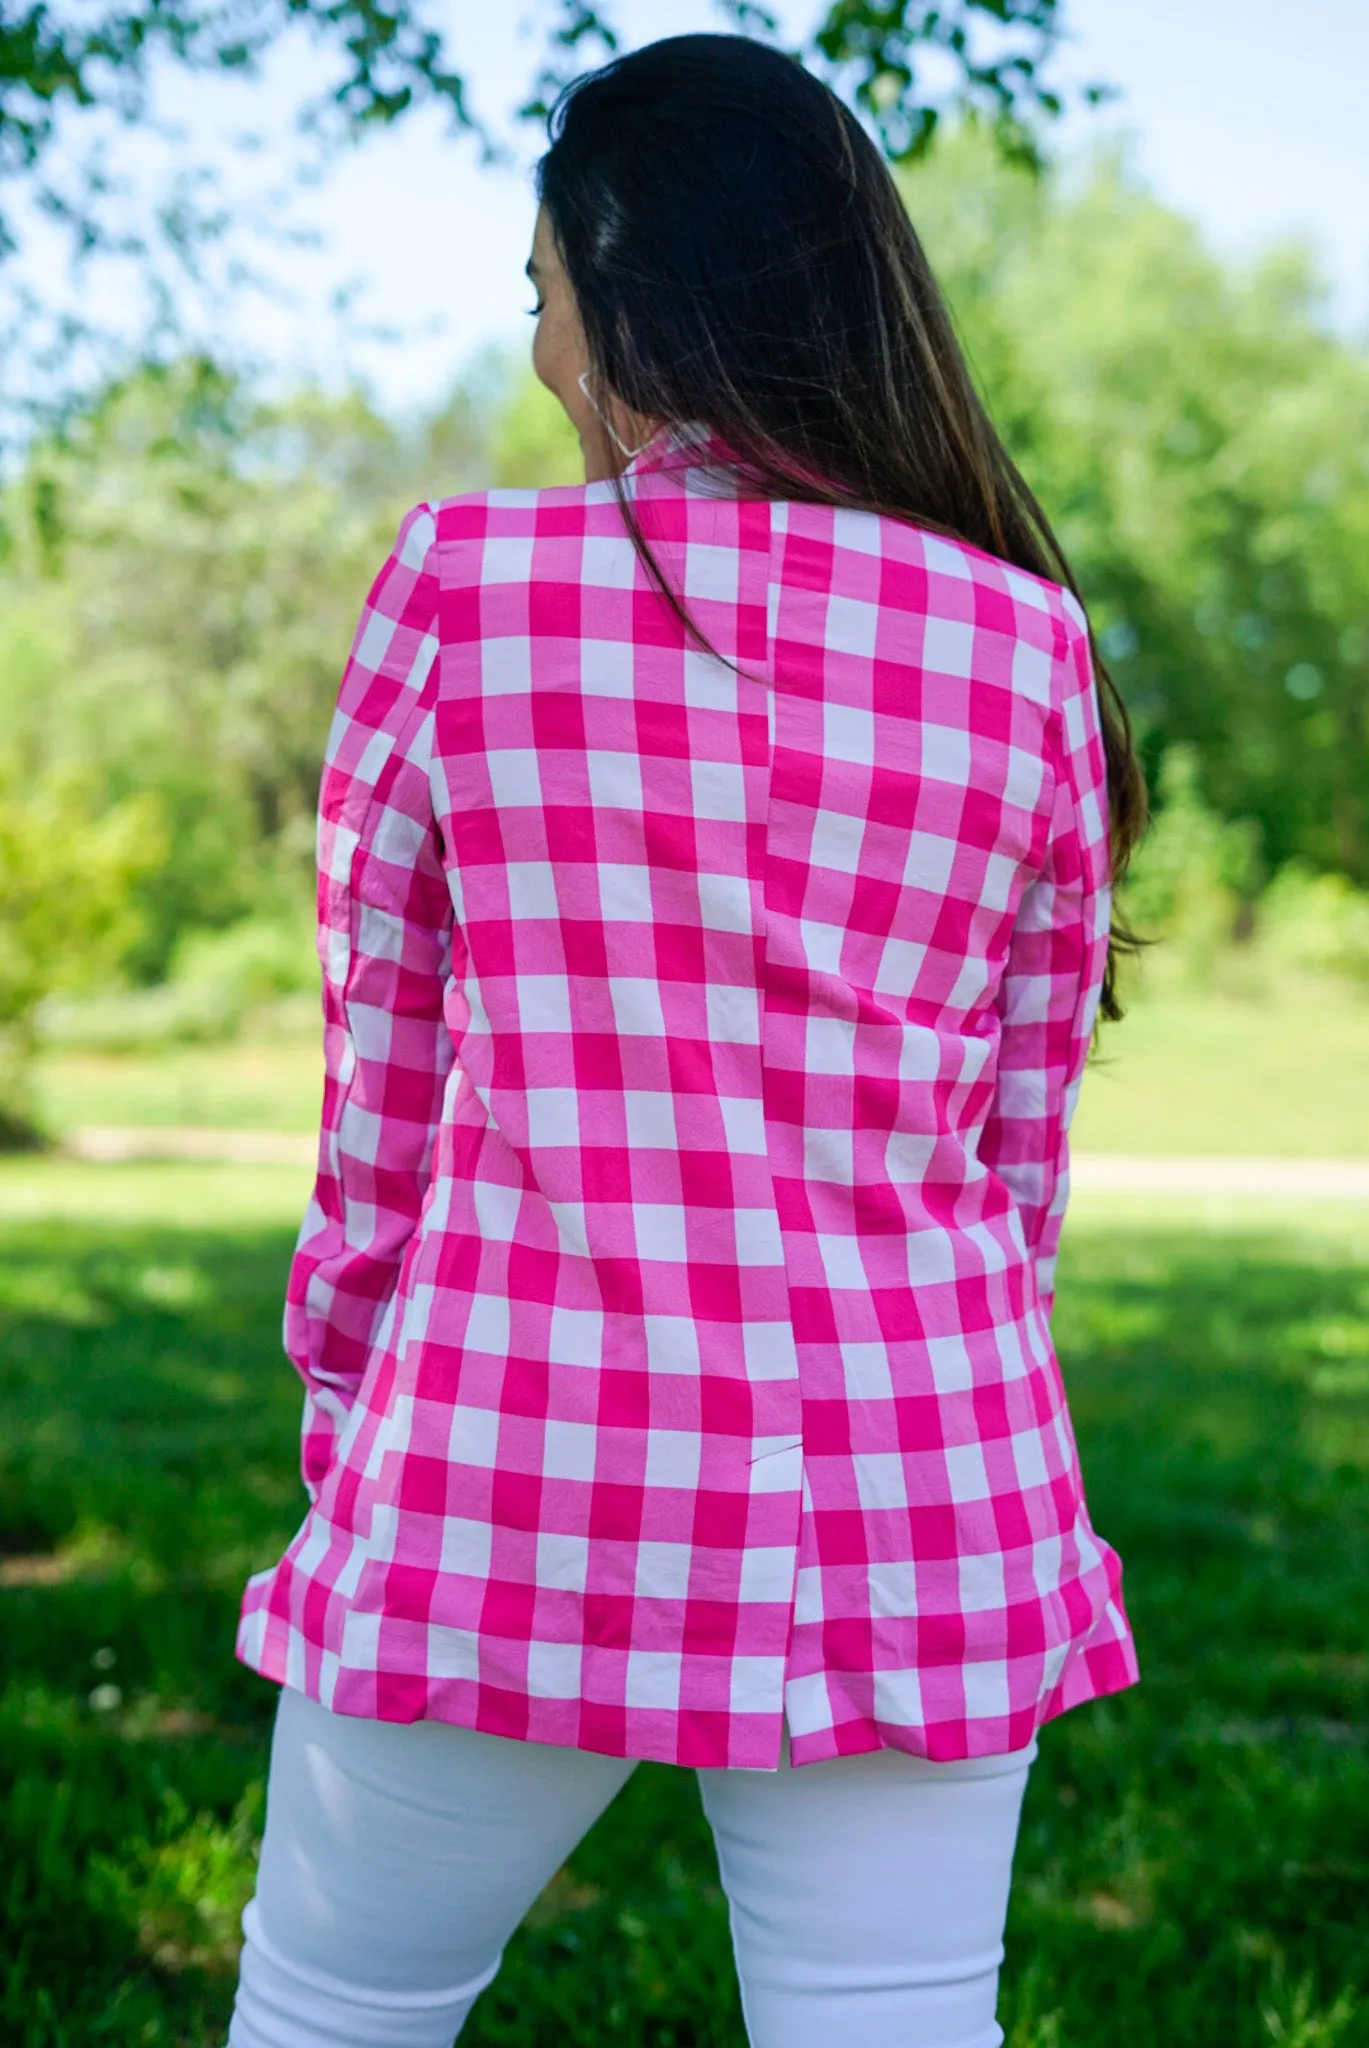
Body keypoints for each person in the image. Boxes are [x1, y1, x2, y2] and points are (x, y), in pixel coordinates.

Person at [227, 32, 1146, 2048]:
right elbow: (1016, 1156)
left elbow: (375, 1098)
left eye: (542, 291)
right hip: (920, 1482)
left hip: (505, 1458)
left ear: (622, 277)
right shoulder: (1029, 640)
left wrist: (347, 1431)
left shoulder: (463, 593)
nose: (548, 348)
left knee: (334, 2015)